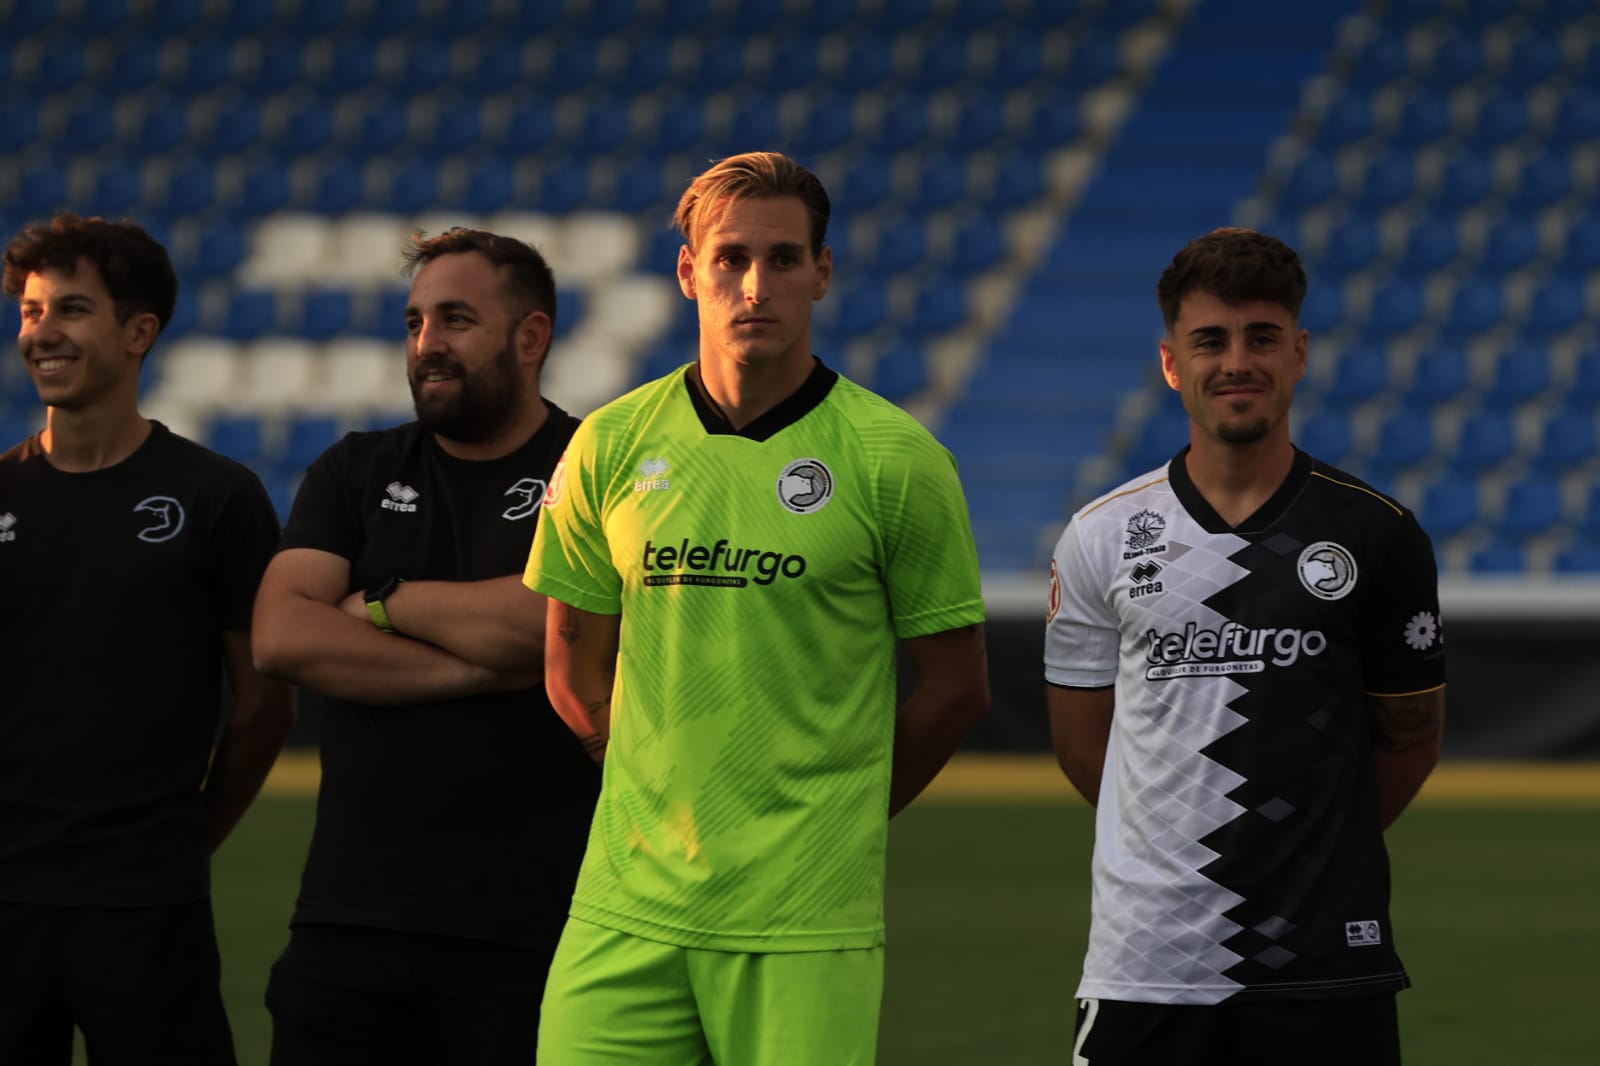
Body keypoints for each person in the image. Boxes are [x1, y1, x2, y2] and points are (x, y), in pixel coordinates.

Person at [524, 150, 991, 1065]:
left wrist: (845, 819)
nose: (755, 284)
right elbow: (571, 670)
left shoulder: (895, 457)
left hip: (803, 921)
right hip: (626, 912)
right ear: (689, 271)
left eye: (783, 260)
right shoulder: (609, 445)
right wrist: (653, 798)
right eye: (730, 258)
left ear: (821, 272)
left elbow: (956, 690)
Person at [1044, 227, 1447, 1065]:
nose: (1237, 361)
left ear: (1298, 353)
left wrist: (1308, 851)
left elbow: (1409, 739)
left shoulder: (1378, 533)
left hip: (1325, 960)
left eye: (1262, 338)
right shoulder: (1100, 535)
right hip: (1145, 965)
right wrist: (1180, 845)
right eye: (1210, 341)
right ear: (1170, 363)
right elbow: (1085, 746)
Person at [250, 227, 600, 1065]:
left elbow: (551, 625)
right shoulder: (354, 469)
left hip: (536, 930)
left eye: (454, 320)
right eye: (414, 323)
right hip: (347, 926)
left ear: (532, 336)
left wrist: (383, 602)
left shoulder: (595, 464)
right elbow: (282, 633)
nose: (426, 346)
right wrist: (481, 666)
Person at [0, 214, 294, 1064]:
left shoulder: (217, 497)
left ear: (139, 333)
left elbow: (266, 704)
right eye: (29, 311)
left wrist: (184, 840)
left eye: (71, 310)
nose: (42, 332)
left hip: (146, 904)